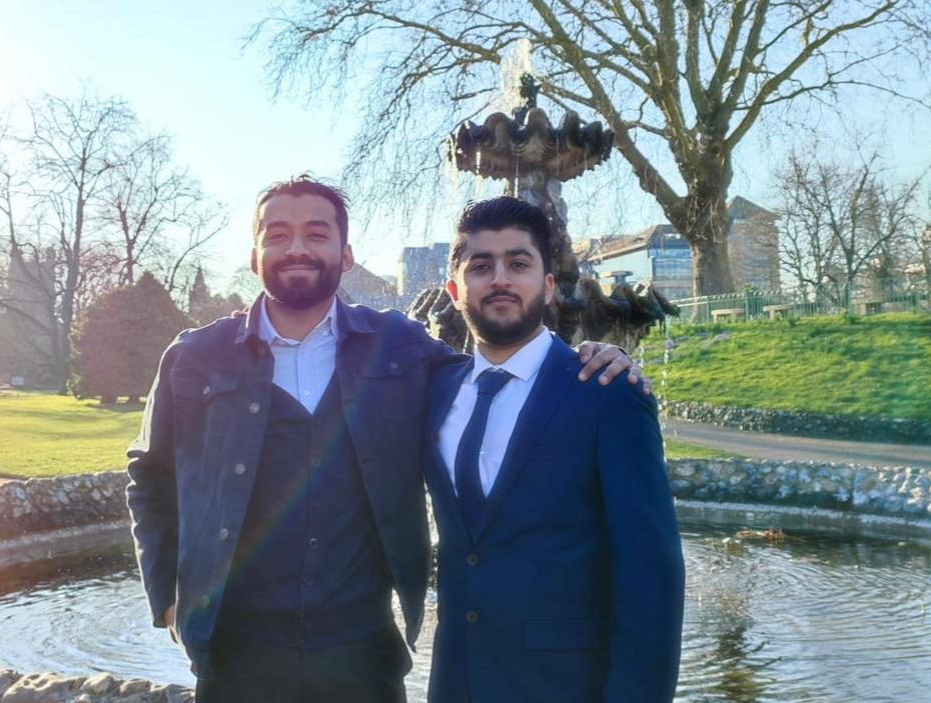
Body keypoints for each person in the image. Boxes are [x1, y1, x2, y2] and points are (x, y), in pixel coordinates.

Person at [126, 177, 645, 703]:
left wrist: (591, 356)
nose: (298, 248)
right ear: (254, 255)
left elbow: (498, 371)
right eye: (278, 234)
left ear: (345, 253)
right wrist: (167, 594)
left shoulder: (400, 346)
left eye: (317, 233)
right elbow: (149, 474)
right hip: (236, 656)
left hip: (363, 656)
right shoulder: (193, 358)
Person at [424, 196, 685, 703]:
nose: (500, 278)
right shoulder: (432, 390)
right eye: (481, 266)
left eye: (518, 263)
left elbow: (651, 570)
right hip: (457, 681)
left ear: (547, 287)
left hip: (565, 686)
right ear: (456, 290)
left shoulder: (608, 393)